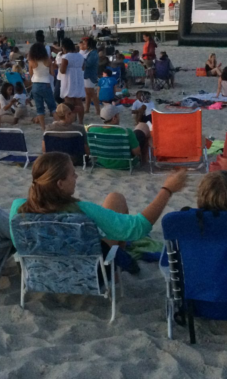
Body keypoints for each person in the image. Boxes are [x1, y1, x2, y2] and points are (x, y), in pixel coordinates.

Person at [11, 153, 187, 264]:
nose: (76, 176)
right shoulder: (83, 211)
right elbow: (138, 227)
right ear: (60, 184)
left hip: (42, 276)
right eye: (72, 174)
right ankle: (120, 254)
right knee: (115, 201)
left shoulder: (18, 210)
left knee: (114, 199)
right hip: (90, 275)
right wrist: (167, 189)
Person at [27, 42, 56, 131]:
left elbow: (31, 75)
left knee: (39, 108)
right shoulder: (48, 60)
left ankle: (43, 128)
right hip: (46, 84)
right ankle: (57, 124)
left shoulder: (32, 61)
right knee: (52, 106)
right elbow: (52, 74)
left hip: (35, 85)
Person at [59, 37, 85, 124]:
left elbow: (62, 70)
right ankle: (81, 121)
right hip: (78, 79)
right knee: (79, 102)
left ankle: (71, 120)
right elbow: (83, 67)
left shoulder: (66, 56)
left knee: (69, 102)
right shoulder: (80, 56)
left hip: (69, 79)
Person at [81, 37, 100, 116]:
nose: (83, 44)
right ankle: (87, 109)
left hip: (90, 74)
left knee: (91, 93)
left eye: (85, 43)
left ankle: (98, 110)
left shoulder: (93, 53)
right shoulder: (91, 52)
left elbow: (88, 64)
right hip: (87, 74)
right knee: (88, 93)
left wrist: (81, 60)